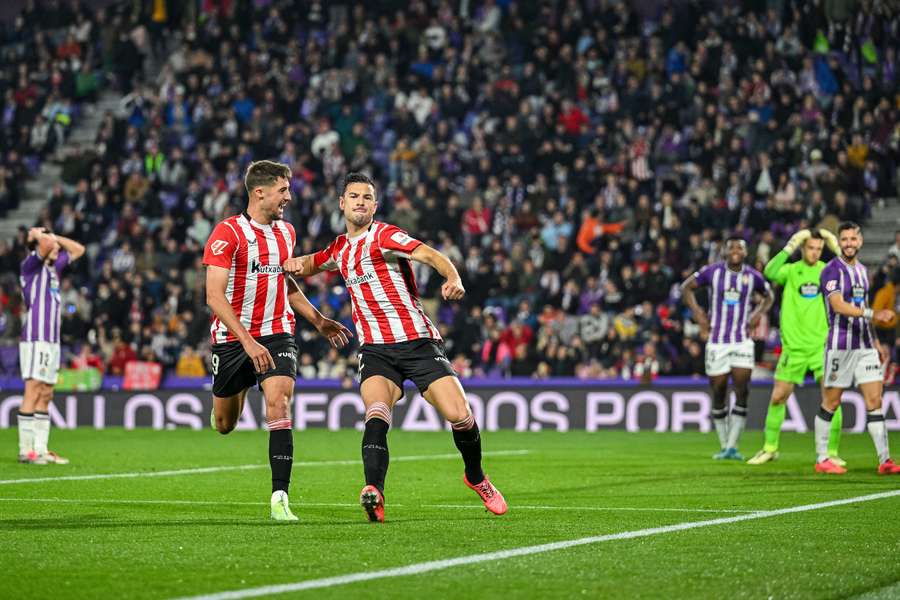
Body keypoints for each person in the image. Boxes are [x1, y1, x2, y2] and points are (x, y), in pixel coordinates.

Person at [284, 172, 507, 523]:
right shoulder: (340, 249)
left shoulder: (384, 235)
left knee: (460, 416)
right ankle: (374, 491)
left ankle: (476, 477)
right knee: (375, 413)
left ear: (375, 205)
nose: (360, 201)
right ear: (342, 203)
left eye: (367, 197)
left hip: (418, 342)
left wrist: (453, 277)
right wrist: (282, 263)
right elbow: (306, 264)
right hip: (376, 350)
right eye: (353, 196)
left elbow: (429, 254)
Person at [203, 160, 352, 521]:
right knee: (225, 425)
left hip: (277, 332)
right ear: (260, 192)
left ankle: (279, 496)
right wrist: (248, 342)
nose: (289, 196)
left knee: (279, 404)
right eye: (283, 190)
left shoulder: (286, 233)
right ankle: (226, 400)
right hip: (233, 337)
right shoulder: (228, 234)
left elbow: (285, 282)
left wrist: (317, 319)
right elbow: (214, 297)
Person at [748, 229, 845, 465]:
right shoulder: (791, 271)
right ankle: (770, 448)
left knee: (832, 399)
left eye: (819, 249)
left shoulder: (825, 270)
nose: (814, 252)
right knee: (778, 397)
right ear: (803, 248)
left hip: (821, 346)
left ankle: (832, 453)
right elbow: (770, 271)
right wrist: (790, 245)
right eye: (810, 247)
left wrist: (834, 243)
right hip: (793, 348)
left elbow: (847, 270)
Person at [813, 222, 900, 475]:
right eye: (845, 239)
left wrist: (875, 341)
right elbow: (838, 305)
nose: (849, 243)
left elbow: (860, 307)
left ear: (860, 242)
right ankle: (822, 458)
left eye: (853, 239)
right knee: (831, 401)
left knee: (875, 400)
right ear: (839, 242)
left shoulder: (862, 271)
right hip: (840, 347)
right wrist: (874, 313)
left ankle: (885, 460)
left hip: (864, 346)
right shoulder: (831, 271)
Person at [681, 237, 774, 461]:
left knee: (742, 390)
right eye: (731, 247)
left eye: (739, 247)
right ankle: (724, 445)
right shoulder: (712, 272)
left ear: (745, 252)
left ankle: (732, 446)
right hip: (717, 341)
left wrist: (757, 315)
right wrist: (698, 314)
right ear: (724, 251)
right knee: (719, 391)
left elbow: (769, 296)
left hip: (742, 340)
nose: (735, 251)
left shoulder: (752, 276)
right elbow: (686, 288)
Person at [17, 227, 85, 464]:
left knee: (46, 393)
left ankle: (41, 449)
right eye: (53, 245)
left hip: (52, 341)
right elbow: (44, 245)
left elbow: (79, 249)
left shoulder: (53, 270)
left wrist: (54, 237)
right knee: (33, 388)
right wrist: (37, 236)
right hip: (36, 338)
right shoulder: (30, 267)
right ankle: (26, 451)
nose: (57, 247)